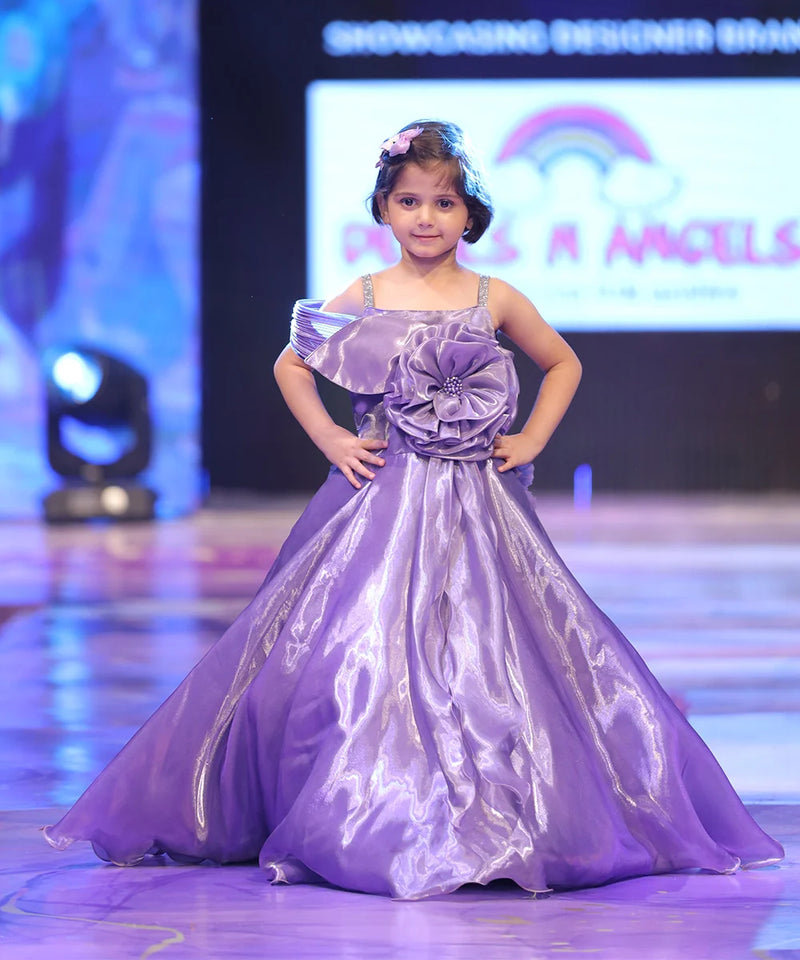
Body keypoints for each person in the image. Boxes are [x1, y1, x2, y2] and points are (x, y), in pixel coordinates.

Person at [45, 120, 784, 900]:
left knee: (492, 654)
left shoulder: (494, 297)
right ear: (383, 209)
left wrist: (531, 436)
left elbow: (562, 362)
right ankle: (369, 804)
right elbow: (291, 365)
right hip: (378, 503)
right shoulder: (361, 297)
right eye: (409, 202)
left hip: (480, 506)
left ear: (470, 215)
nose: (426, 218)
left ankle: (497, 810)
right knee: (356, 655)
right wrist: (333, 438)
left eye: (443, 203)